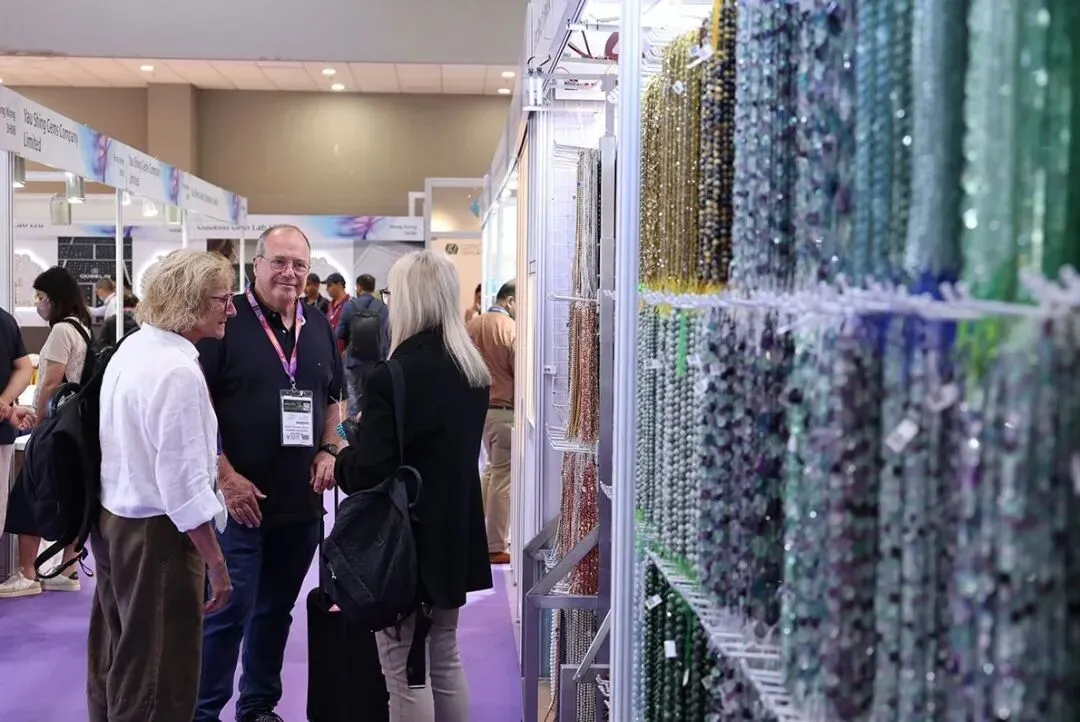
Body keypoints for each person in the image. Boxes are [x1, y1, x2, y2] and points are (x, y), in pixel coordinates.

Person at [195, 224, 346, 722]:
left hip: (300, 503)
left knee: (276, 610)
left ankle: (258, 705)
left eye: (299, 264)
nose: (290, 273)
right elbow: (198, 407)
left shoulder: (317, 323)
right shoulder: (227, 319)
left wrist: (329, 449)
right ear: (256, 264)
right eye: (279, 261)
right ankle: (203, 711)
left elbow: (334, 399)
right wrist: (224, 475)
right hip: (238, 502)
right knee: (227, 610)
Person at [335, 250, 492, 722]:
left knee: (403, 671)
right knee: (444, 655)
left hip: (404, 541)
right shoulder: (472, 371)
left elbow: (370, 470)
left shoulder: (392, 376)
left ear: (406, 299)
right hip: (454, 531)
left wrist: (340, 456)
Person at [88, 250, 236, 722]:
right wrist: (216, 564)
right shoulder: (177, 371)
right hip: (159, 537)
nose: (231, 309)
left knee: (119, 658)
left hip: (115, 520)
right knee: (159, 675)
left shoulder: (134, 348)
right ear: (190, 302)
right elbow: (183, 487)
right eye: (222, 299)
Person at [0, 266, 93, 598]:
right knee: (69, 495)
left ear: (55, 299)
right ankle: (67, 568)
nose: (38, 304)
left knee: (30, 495)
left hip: (54, 427)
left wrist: (38, 420)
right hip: (75, 428)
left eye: (40, 297)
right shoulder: (83, 328)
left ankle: (27, 573)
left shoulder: (61, 331)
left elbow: (51, 383)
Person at [466, 280, 516, 565]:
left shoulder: (471, 326)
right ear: (509, 301)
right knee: (502, 478)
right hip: (504, 412)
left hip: (479, 411)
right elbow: (519, 372)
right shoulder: (510, 329)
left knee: (489, 473)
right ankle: (495, 545)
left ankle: (473, 535)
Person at [336, 273, 389, 417]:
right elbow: (388, 334)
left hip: (354, 361)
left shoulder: (350, 306)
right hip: (377, 362)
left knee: (353, 402)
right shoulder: (382, 307)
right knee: (374, 399)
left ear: (359, 287)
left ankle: (353, 428)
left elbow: (339, 333)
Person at [0, 308, 33, 537]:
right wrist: (6, 404)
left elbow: (24, 367)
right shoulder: (5, 319)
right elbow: (24, 367)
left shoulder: (4, 321)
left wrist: (5, 405)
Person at [323, 272, 351, 355]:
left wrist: (349, 349)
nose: (327, 289)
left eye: (329, 286)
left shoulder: (351, 303)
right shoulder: (329, 305)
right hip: (330, 352)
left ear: (339, 285)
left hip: (344, 353)